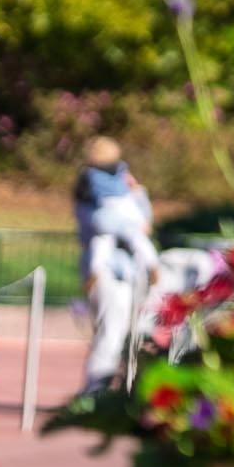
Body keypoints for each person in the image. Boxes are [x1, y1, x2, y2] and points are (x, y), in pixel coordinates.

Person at [74, 137, 159, 393]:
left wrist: (137, 194)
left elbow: (146, 223)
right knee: (110, 331)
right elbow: (101, 223)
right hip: (106, 271)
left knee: (124, 331)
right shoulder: (88, 188)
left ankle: (112, 387)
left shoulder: (124, 184)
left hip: (128, 269)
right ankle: (95, 390)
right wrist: (132, 223)